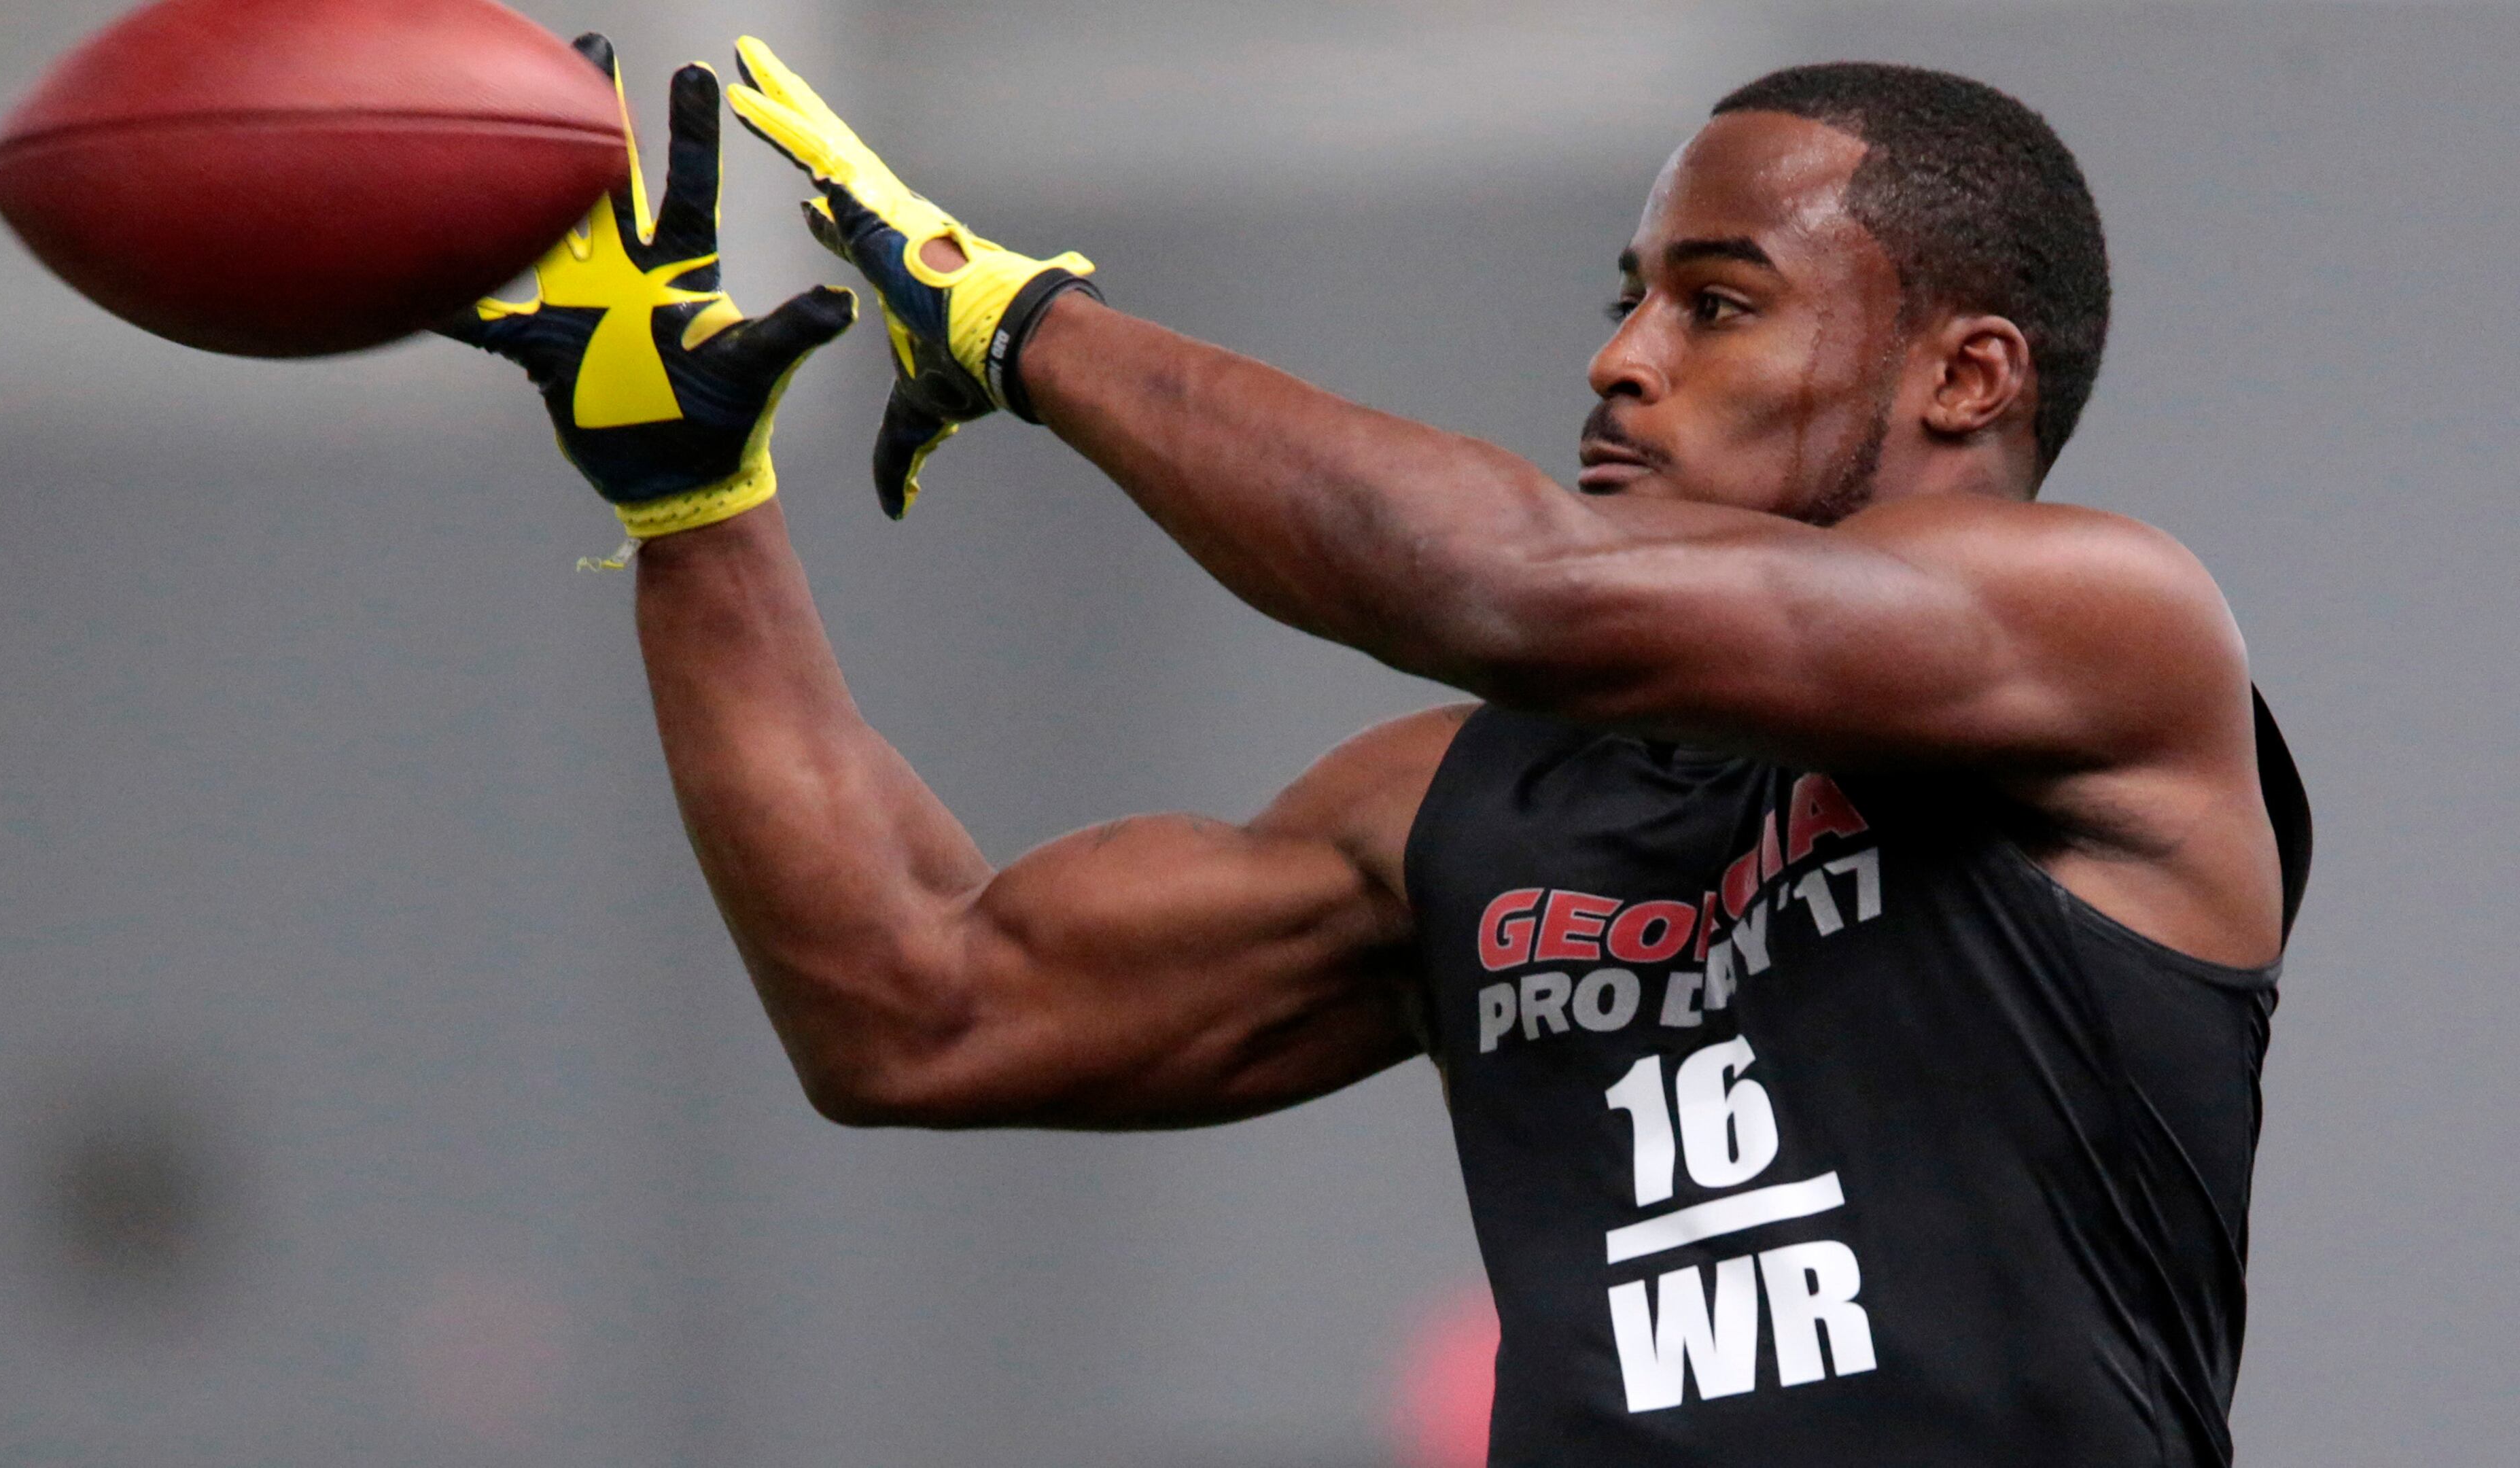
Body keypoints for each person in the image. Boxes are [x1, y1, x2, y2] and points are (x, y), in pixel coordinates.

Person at [450, 33, 2310, 1468]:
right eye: (1628, 298)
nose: (1622, 359)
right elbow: (917, 1005)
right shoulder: (1470, 807)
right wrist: (694, 507)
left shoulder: (2108, 632)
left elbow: (1513, 587)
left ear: (1968, 379)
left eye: (1717, 304)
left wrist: (1027, 329)